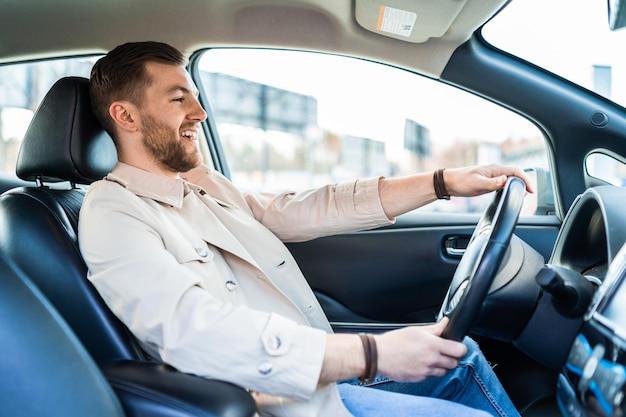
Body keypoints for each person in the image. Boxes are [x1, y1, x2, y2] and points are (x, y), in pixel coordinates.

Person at [80, 41, 532, 417]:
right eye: (179, 98)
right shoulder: (113, 212)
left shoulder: (200, 184)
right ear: (126, 116)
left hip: (316, 374)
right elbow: (190, 330)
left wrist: (443, 182)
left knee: (462, 356)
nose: (200, 112)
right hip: (270, 400)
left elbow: (304, 208)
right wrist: (373, 353)